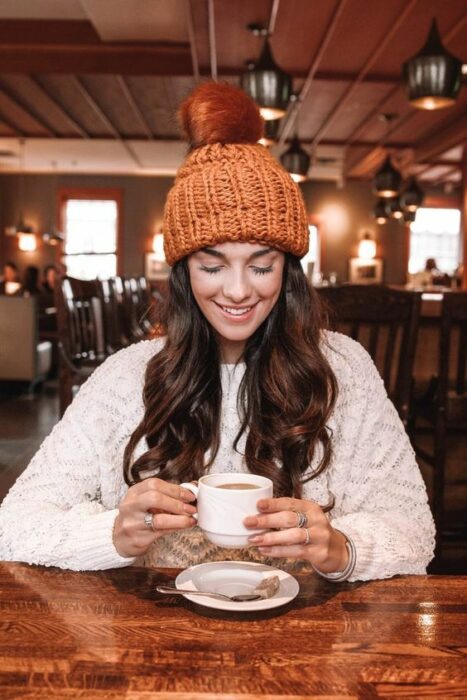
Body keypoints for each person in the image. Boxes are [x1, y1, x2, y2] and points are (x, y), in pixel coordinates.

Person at [0, 83, 435, 581]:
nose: (237, 291)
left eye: (261, 265)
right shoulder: (125, 378)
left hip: (306, 641)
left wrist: (341, 548)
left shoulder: (345, 368)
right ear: (184, 272)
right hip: (157, 640)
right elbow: (13, 525)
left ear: (288, 269)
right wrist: (112, 536)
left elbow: (414, 530)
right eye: (212, 266)